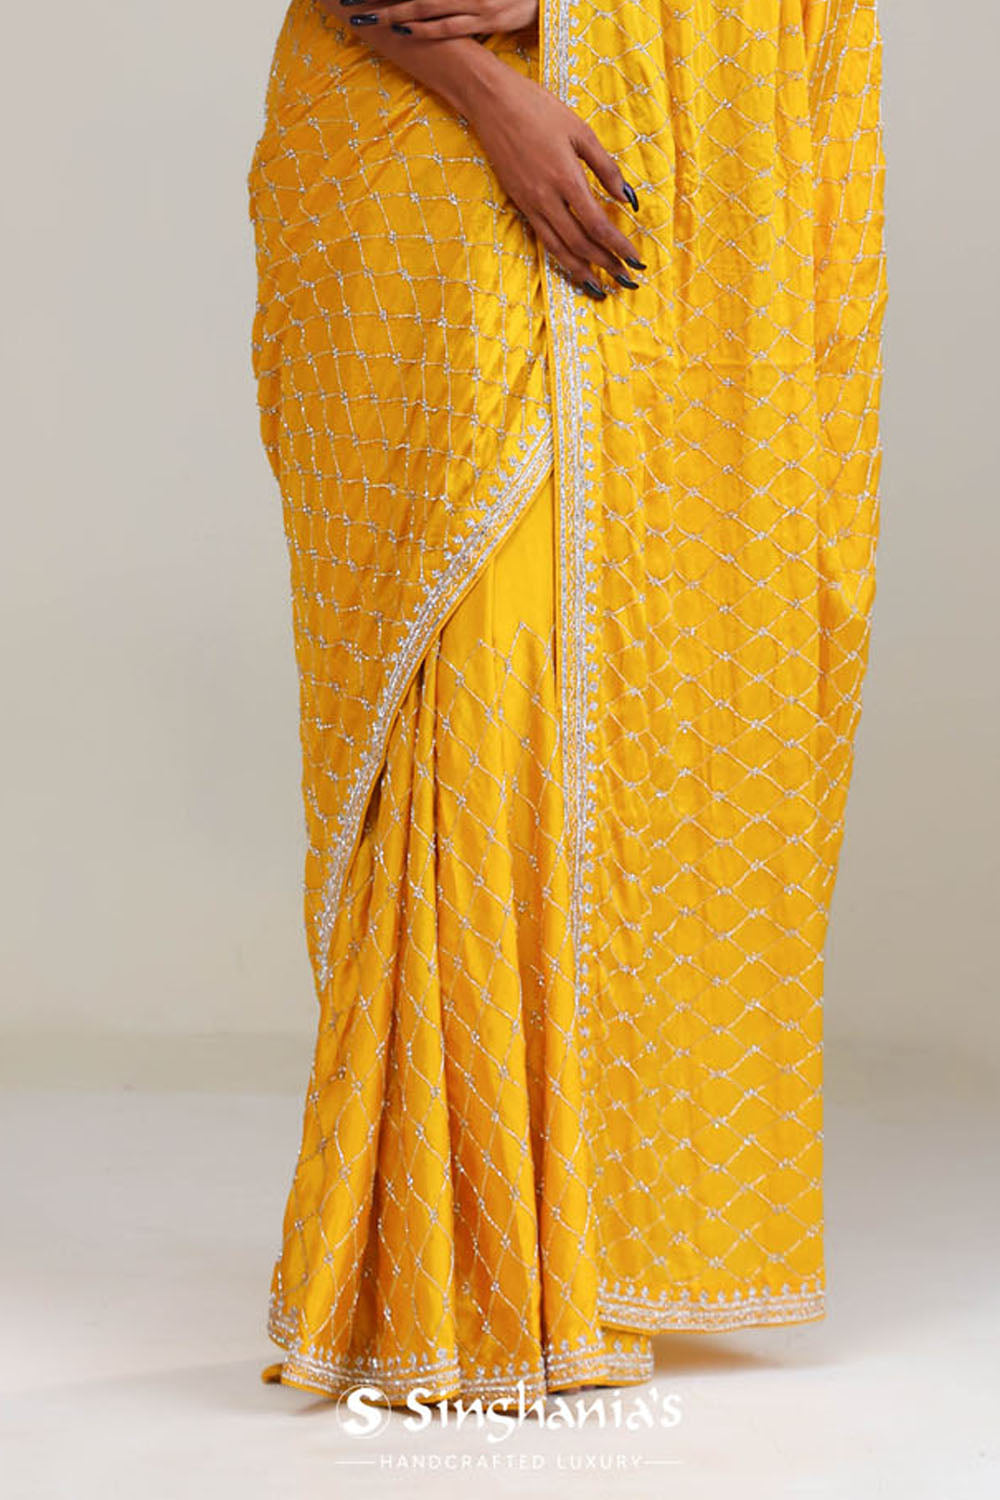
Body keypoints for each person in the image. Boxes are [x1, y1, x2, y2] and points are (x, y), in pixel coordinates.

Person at [248, 0, 887, 1407]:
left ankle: (570, 1246)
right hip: (408, 143)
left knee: (572, 694)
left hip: (644, 152)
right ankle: (444, 1265)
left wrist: (574, 12)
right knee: (467, 697)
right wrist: (489, 89)